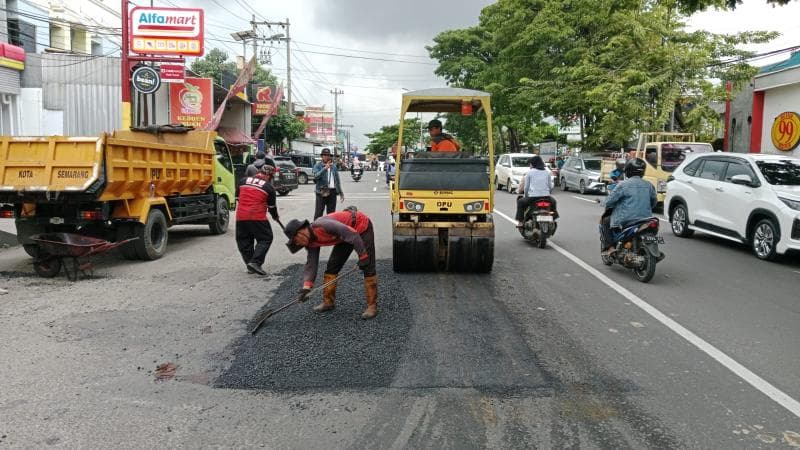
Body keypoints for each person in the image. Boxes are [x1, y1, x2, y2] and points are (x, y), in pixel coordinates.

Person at [283, 208, 378, 319]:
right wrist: (306, 287)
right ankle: (328, 302)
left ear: (301, 232)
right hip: (344, 236)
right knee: (332, 267)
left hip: (360, 227)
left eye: (296, 240)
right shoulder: (310, 242)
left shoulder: (323, 225)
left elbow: (353, 234)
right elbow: (311, 264)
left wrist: (363, 256)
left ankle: (372, 306)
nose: (297, 243)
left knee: (368, 267)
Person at [599, 158, 657, 256]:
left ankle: (610, 248)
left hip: (626, 219)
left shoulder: (623, 185)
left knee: (605, 221)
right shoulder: (649, 185)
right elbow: (653, 202)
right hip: (646, 219)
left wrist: (603, 203)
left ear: (627, 171)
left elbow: (609, 202)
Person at [236, 159, 279, 275]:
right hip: (257, 216)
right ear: (269, 176)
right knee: (266, 238)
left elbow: (238, 198)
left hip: (241, 217)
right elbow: (272, 207)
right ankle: (255, 262)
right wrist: (275, 216)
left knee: (244, 241)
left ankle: (250, 263)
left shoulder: (243, 181)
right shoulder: (268, 188)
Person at [515, 155, 558, 227]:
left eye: (531, 163)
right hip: (546, 197)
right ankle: (553, 218)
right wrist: (548, 194)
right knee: (553, 202)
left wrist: (526, 195)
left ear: (534, 163)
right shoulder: (547, 172)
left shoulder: (530, 173)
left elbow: (526, 187)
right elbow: (550, 187)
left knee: (520, 202)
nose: (530, 165)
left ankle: (521, 222)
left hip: (533, 198)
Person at [312, 148, 344, 219]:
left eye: (328, 155)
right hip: (321, 192)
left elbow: (337, 180)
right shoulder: (317, 166)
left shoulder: (333, 167)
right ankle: (315, 229)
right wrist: (325, 168)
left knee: (331, 214)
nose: (326, 156)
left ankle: (329, 230)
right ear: (322, 156)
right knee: (318, 213)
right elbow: (315, 176)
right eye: (324, 155)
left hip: (332, 192)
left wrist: (341, 192)